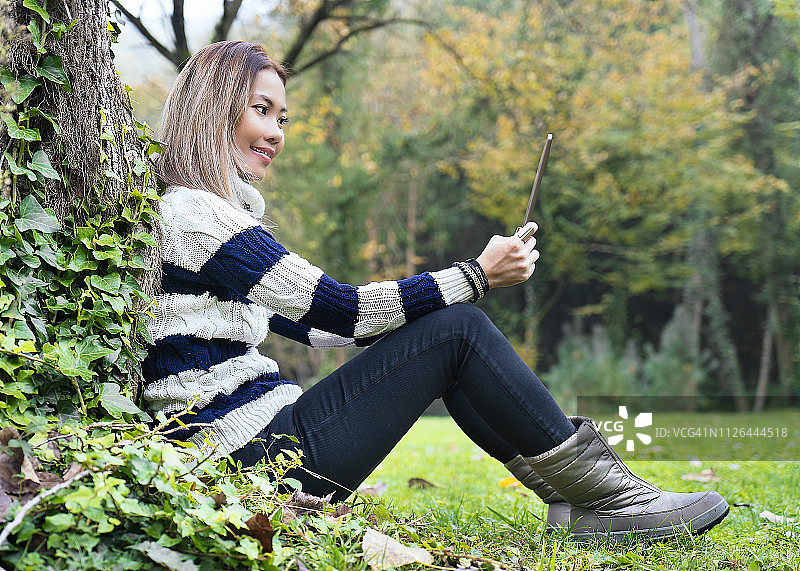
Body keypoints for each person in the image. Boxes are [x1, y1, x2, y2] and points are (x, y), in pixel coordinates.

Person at [143, 40, 729, 543]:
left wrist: (439, 307)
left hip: (257, 451)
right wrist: (474, 277)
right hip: (247, 462)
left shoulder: (214, 215)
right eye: (261, 110)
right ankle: (611, 498)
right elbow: (341, 312)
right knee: (459, 333)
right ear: (213, 109)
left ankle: (585, 501)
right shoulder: (196, 216)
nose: (275, 132)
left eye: (283, 118)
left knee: (448, 340)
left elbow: (317, 331)